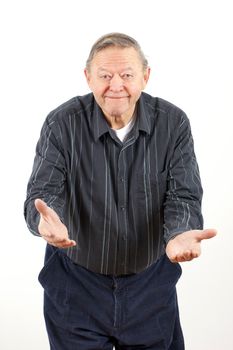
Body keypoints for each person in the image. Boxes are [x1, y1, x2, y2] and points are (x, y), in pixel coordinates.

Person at [24, 32, 217, 349]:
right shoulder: (61, 123)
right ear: (88, 78)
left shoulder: (173, 123)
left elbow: (183, 194)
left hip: (151, 289)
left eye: (127, 75)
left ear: (145, 76)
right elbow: (43, 192)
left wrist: (181, 231)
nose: (116, 85)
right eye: (104, 76)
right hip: (76, 288)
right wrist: (45, 221)